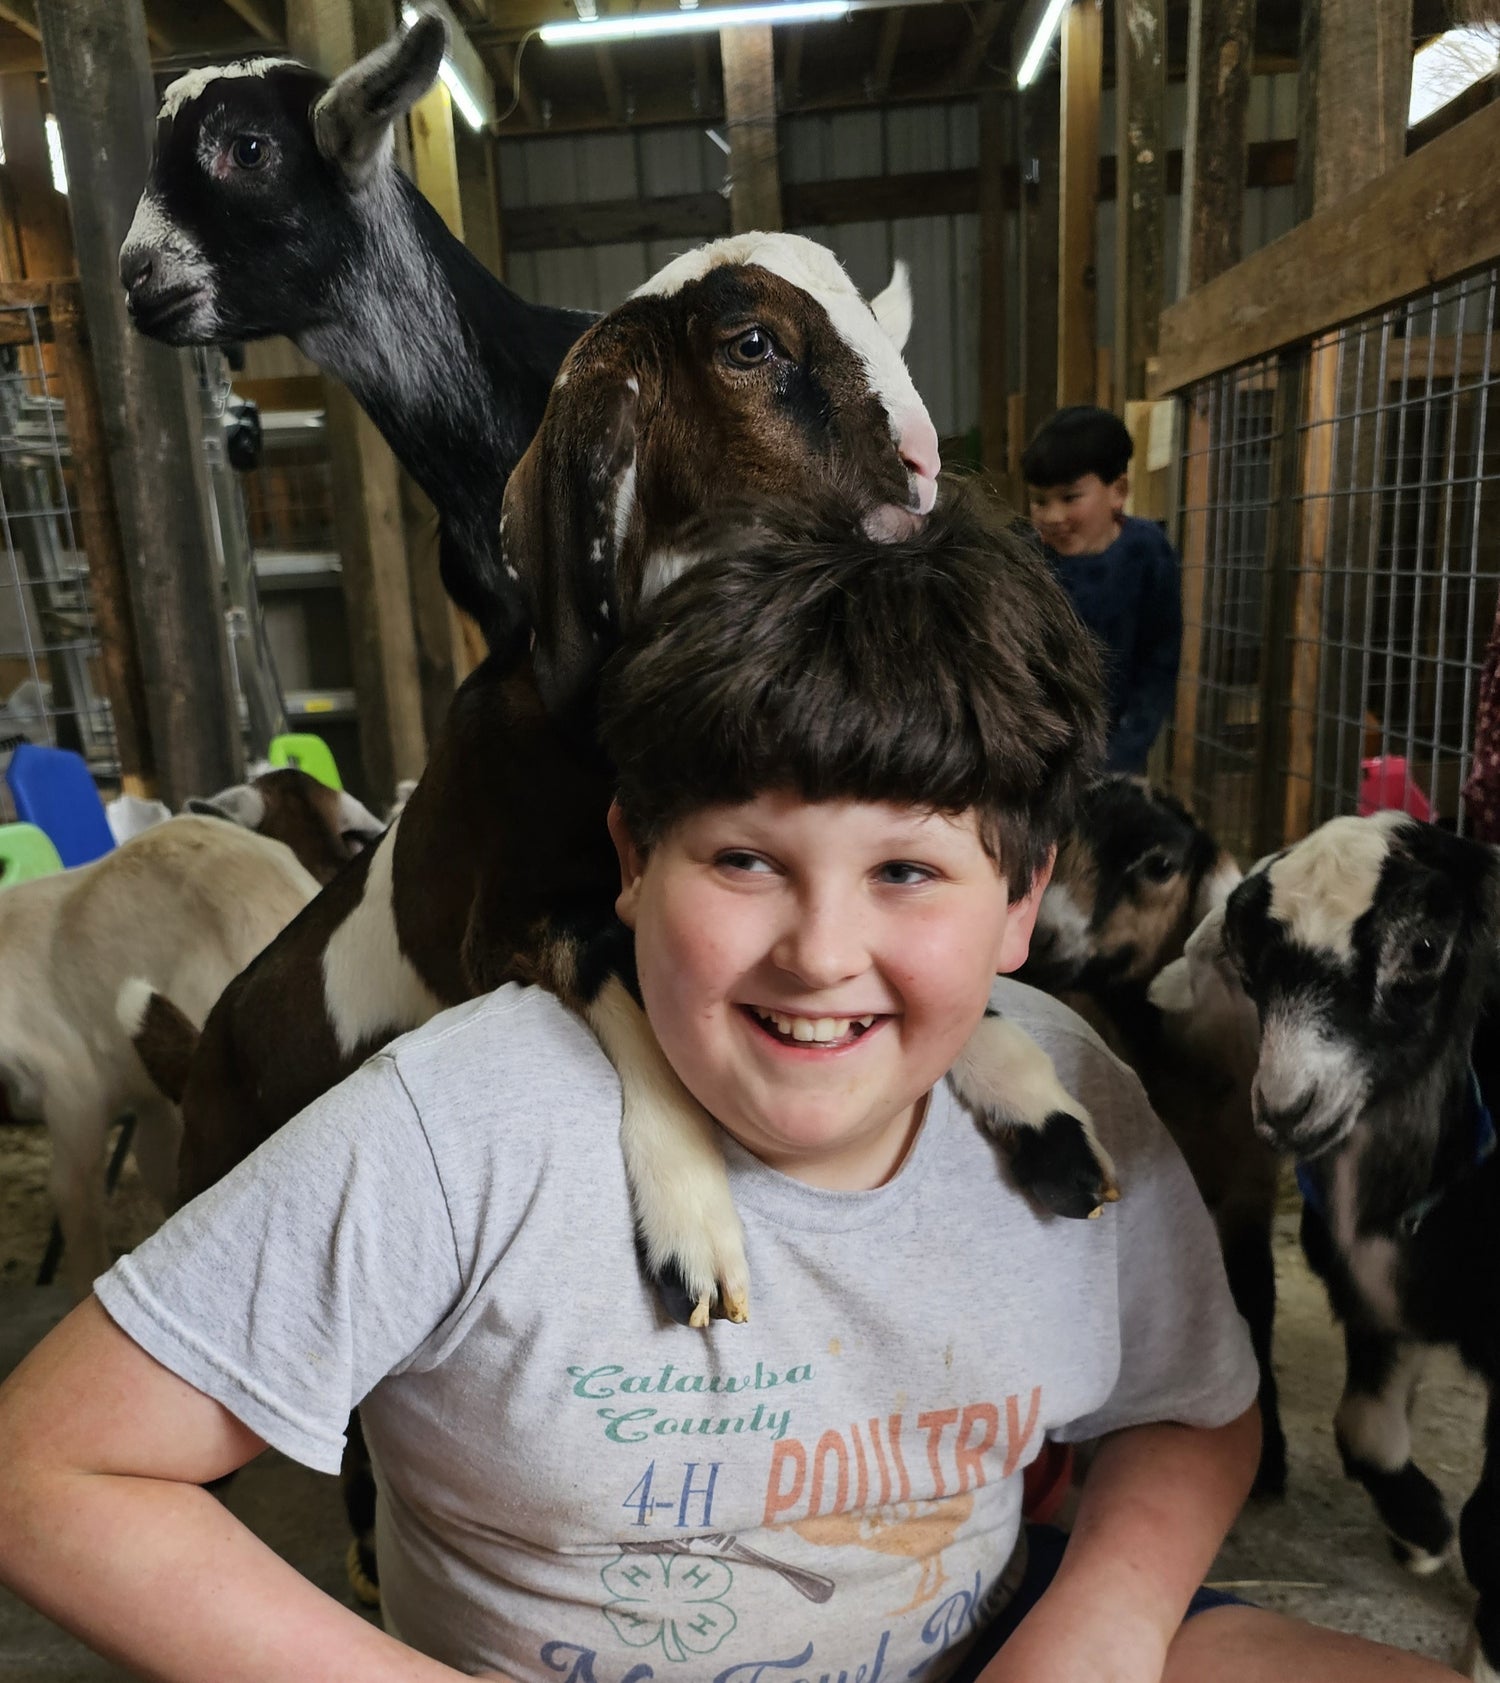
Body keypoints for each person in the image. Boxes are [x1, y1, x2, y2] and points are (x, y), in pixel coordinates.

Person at [0, 490, 1458, 1683]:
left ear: (1023, 903)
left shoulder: (1070, 1091)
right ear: (633, 858)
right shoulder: (464, 1126)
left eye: (908, 869)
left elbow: (1195, 1404)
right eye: (745, 859)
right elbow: (46, 1465)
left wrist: (1101, 1621)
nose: (822, 953)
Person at [1022, 404, 1183, 776]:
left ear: (1118, 491)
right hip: (1035, 753)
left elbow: (1158, 662)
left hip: (1117, 753)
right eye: (1040, 501)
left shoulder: (1148, 552)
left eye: (1069, 498)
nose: (1052, 517)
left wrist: (1124, 755)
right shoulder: (1025, 558)